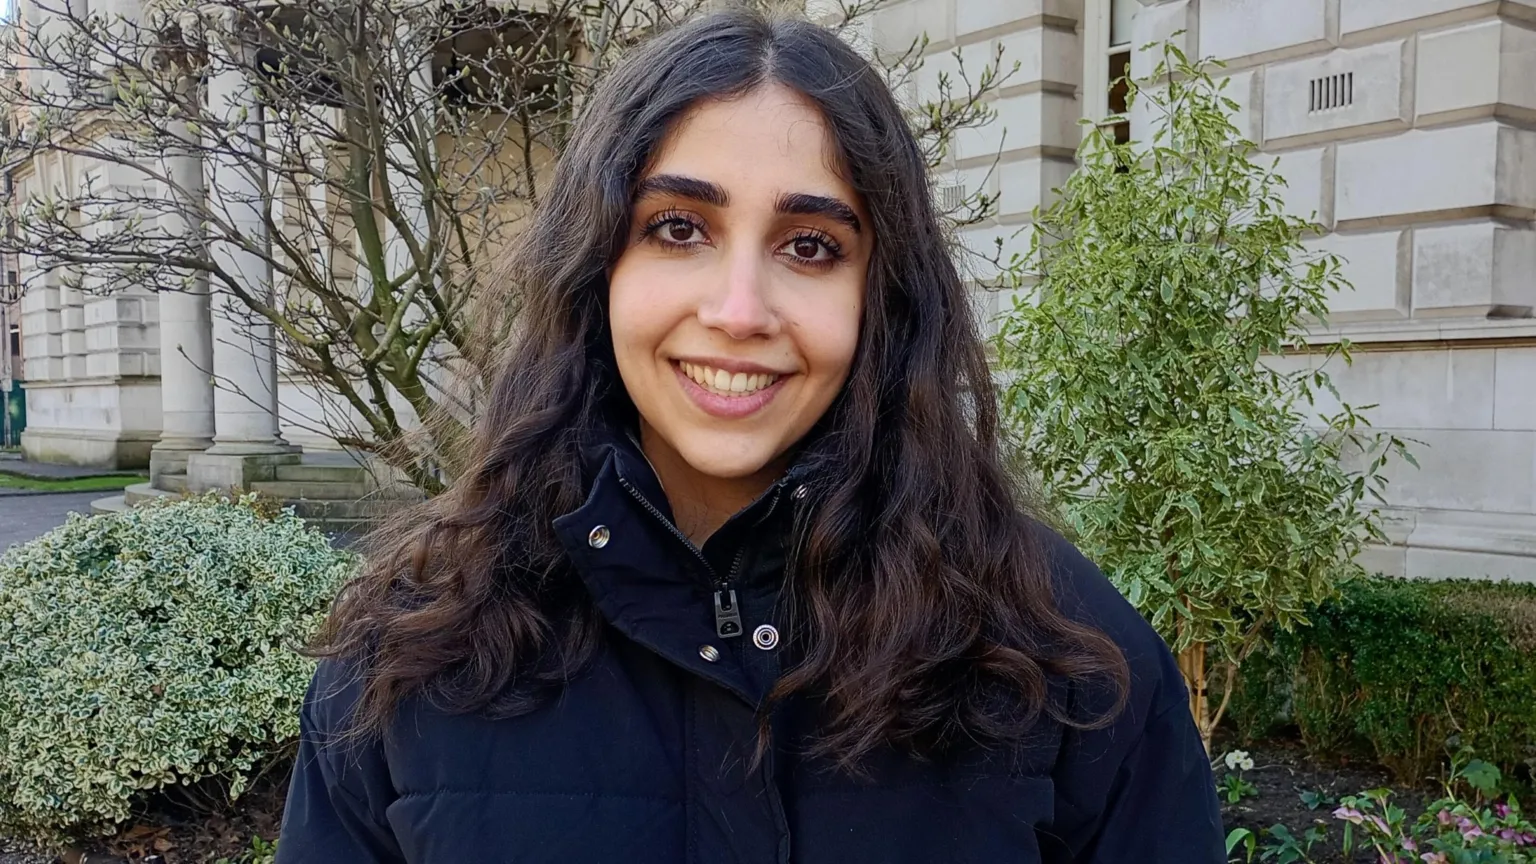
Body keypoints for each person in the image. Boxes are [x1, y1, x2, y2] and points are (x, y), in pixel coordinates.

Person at [275, 7, 1226, 863]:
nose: (738, 311)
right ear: (595, 265)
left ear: (883, 297)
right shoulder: (408, 656)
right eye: (678, 227)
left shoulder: (1063, 654)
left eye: (810, 246)